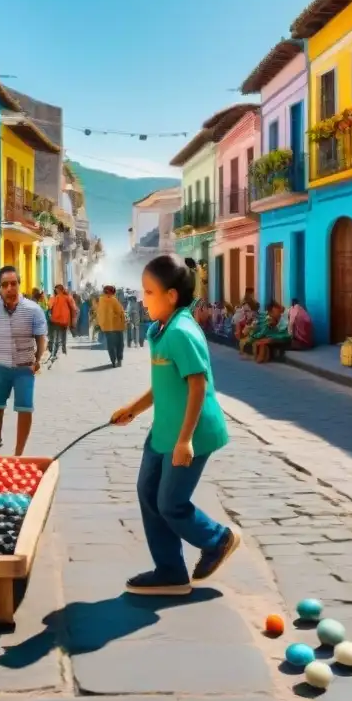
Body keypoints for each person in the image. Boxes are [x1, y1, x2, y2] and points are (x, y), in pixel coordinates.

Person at [110, 254, 239, 595]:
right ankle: (170, 570)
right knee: (148, 494)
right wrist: (133, 409)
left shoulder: (182, 331)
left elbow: (198, 385)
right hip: (164, 430)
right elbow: (165, 385)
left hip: (191, 432)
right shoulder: (161, 329)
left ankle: (217, 539)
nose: (142, 298)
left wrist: (185, 441)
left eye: (148, 292)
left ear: (170, 296)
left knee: (170, 503)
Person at [0, 266, 48, 455]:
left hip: (24, 368)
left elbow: (41, 337)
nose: (10, 288)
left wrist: (37, 360)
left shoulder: (34, 311)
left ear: (19, 284)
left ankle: (18, 452)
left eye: (13, 283)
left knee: (25, 408)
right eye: (4, 285)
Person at [97, 284, 127, 367]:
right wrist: (123, 321)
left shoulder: (101, 301)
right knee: (119, 344)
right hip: (116, 326)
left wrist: (101, 324)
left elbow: (99, 314)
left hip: (107, 327)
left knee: (110, 345)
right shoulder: (113, 300)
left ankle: (113, 361)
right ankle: (119, 359)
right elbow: (120, 312)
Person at [47, 284, 76, 361]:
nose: (56, 291)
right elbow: (73, 308)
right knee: (62, 336)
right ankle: (63, 351)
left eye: (56, 289)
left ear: (58, 290)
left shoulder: (55, 298)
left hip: (57, 320)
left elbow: (49, 306)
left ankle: (55, 353)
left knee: (57, 337)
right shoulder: (67, 297)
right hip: (63, 320)